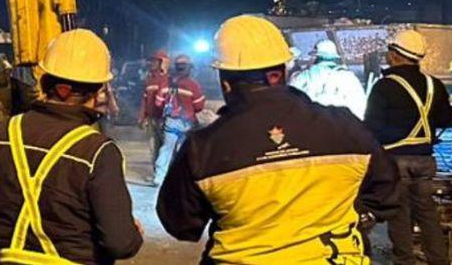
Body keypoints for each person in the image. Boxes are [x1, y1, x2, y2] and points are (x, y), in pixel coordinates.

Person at [159, 15, 399, 264]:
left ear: (226, 83)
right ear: (279, 73)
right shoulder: (347, 128)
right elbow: (387, 196)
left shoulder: (203, 147)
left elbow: (181, 225)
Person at [0, 29, 143, 265]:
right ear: (97, 91)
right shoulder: (97, 152)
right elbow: (120, 243)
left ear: (45, 81)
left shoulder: (0, 136)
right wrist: (133, 236)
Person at [365, 29, 452, 265]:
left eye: (389, 51)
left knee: (399, 215)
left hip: (395, 161)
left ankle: (405, 261)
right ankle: (439, 261)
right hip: (424, 162)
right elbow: (444, 120)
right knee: (427, 214)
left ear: (396, 55)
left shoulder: (384, 86)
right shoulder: (434, 85)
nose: (387, 55)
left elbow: (371, 128)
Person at [152, 54, 204, 179]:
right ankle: (183, 178)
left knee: (166, 149)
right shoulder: (193, 85)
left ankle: (159, 177)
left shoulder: (166, 83)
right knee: (184, 151)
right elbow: (199, 106)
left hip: (170, 121)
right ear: (189, 68)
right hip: (187, 123)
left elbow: (158, 102)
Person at [290, 39, 367, 119]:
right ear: (334, 57)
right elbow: (360, 107)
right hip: (342, 126)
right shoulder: (349, 78)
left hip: (311, 125)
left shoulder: (305, 76)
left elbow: (290, 96)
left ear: (317, 57)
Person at [139, 49, 169, 184]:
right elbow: (144, 100)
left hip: (165, 119)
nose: (152, 63)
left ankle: (166, 174)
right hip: (152, 119)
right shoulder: (149, 80)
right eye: (152, 61)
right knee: (154, 147)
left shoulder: (168, 79)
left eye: (155, 61)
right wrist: (142, 116)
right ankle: (157, 173)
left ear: (162, 63)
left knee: (166, 147)